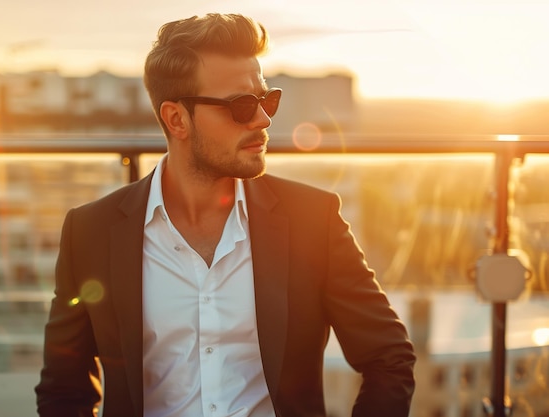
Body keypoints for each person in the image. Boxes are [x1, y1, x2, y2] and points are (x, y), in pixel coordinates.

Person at [35, 13, 416, 417]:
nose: (263, 119)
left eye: (266, 99)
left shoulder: (312, 221)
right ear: (176, 119)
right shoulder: (91, 232)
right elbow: (64, 389)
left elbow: (389, 358)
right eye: (241, 106)